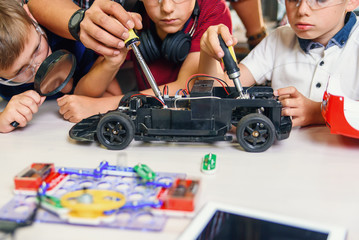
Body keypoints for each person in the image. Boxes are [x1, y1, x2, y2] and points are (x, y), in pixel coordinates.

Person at [29, 0, 232, 123]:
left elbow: (188, 90)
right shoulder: (133, 17)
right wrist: (112, 62)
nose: (167, 8)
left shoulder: (214, 10)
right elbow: (83, 95)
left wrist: (102, 107)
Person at [199, 0, 359, 127]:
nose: (302, 10)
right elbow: (217, 95)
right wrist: (209, 54)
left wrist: (318, 112)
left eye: (320, 0)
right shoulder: (278, 39)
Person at [0, 0, 129, 132]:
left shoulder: (72, 42)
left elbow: (113, 95)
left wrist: (70, 85)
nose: (39, 68)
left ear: (32, 18)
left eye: (37, 49)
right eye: (22, 70)